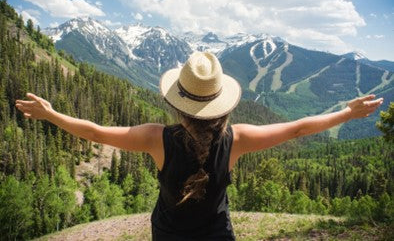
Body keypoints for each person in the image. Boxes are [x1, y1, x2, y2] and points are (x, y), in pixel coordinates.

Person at [15, 51, 383, 240]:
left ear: (177, 102)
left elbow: (95, 133)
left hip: (169, 233)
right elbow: (297, 130)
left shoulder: (155, 138)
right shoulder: (236, 139)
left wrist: (52, 115)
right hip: (216, 233)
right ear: (221, 102)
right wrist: (345, 114)